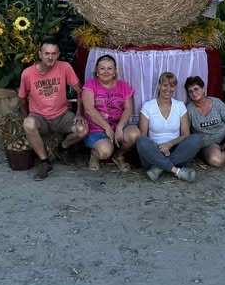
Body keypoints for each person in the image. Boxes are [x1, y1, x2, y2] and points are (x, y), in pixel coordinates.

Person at [19, 39, 88, 181]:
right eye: (47, 54)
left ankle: (62, 148)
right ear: (40, 54)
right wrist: (25, 117)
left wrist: (79, 112)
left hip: (62, 115)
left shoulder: (65, 67)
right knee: (28, 124)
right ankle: (45, 162)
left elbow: (80, 90)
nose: (50, 57)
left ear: (58, 55)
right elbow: (22, 98)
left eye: (54, 54)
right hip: (39, 117)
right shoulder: (27, 73)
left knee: (83, 129)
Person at [136, 72, 202, 183]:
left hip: (176, 152)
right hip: (154, 153)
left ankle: (159, 168)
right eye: (165, 85)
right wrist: (160, 148)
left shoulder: (180, 105)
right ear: (159, 86)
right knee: (141, 142)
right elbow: (143, 135)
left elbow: (185, 134)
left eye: (172, 86)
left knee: (196, 139)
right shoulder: (148, 106)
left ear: (175, 87)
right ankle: (176, 171)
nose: (168, 89)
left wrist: (169, 144)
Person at [81, 54, 140, 172]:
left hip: (118, 125)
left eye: (109, 68)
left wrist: (119, 127)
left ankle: (119, 155)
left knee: (134, 134)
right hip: (97, 128)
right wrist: (107, 127)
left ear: (115, 71)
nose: (106, 71)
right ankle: (94, 155)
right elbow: (89, 109)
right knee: (104, 151)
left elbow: (128, 109)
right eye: (102, 68)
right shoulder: (90, 85)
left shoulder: (123, 86)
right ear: (97, 71)